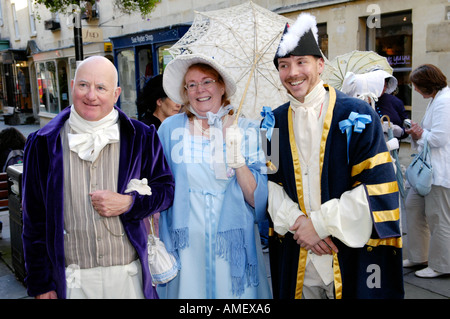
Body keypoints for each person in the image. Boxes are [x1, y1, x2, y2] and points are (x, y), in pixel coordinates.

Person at [263, 13, 403, 299]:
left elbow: (377, 188)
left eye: (302, 62)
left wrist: (319, 225)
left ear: (320, 64)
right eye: (284, 65)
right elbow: (271, 184)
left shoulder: (357, 114)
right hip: (299, 250)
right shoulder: (273, 123)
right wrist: (300, 225)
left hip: (348, 251)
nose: (293, 73)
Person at [21, 56, 175, 299]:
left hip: (129, 278)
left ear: (116, 94)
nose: (91, 95)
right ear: (72, 86)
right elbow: (33, 219)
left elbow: (165, 190)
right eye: (83, 85)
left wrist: (129, 203)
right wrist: (41, 283)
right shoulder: (42, 143)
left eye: (101, 87)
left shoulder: (142, 137)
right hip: (72, 282)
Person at [156, 53, 272, 298]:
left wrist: (236, 156)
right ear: (185, 92)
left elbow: (261, 201)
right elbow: (159, 186)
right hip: (186, 248)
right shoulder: (169, 128)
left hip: (232, 247)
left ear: (221, 86)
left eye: (207, 81)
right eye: (192, 85)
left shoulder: (254, 129)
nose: (200, 90)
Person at [403, 64, 450, 278]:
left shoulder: (444, 101)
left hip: (439, 172)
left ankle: (441, 266)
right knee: (413, 206)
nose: (415, 90)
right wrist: (418, 132)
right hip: (428, 171)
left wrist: (420, 133)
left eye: (417, 86)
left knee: (438, 218)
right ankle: (418, 256)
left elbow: (439, 138)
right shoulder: (436, 100)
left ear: (426, 85)